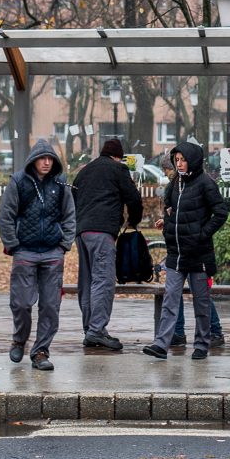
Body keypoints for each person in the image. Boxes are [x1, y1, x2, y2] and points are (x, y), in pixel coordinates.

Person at [143, 141, 229, 360]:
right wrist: (168, 224)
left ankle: (201, 343)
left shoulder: (205, 183)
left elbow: (220, 213)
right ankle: (161, 344)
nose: (179, 164)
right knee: (170, 299)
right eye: (177, 160)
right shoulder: (174, 184)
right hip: (175, 254)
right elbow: (171, 210)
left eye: (183, 160)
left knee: (201, 301)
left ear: (193, 160)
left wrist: (202, 233)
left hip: (198, 254)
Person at [0, 139, 76, 371]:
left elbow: (69, 215)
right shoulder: (18, 182)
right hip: (25, 252)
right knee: (21, 303)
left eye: (50, 159)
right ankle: (19, 340)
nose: (47, 163)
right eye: (42, 158)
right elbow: (6, 215)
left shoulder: (60, 184)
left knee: (51, 305)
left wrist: (64, 245)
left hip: (52, 252)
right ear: (33, 160)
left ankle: (41, 351)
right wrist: (13, 244)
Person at [72, 138, 143, 351]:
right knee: (103, 281)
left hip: (81, 232)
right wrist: (133, 221)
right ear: (118, 156)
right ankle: (96, 330)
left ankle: (89, 329)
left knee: (86, 281)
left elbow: (73, 200)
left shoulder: (84, 171)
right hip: (102, 232)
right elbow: (134, 199)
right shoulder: (118, 169)